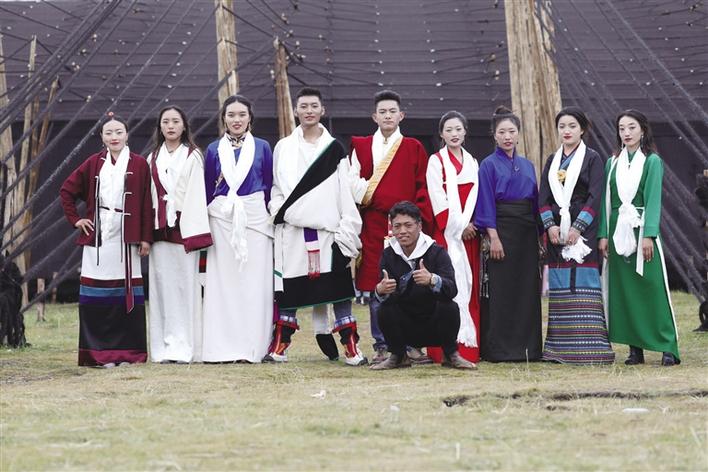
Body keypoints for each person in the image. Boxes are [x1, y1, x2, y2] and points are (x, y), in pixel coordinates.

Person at [265, 87, 366, 366]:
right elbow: (277, 188)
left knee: (338, 288)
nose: (309, 111)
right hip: (293, 229)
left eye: (313, 106)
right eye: (303, 106)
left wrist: (347, 228)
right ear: (295, 110)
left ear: (322, 110)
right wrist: (279, 210)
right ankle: (280, 345)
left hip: (327, 230)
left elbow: (343, 191)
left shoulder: (335, 148)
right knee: (290, 289)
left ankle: (351, 347)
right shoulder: (283, 147)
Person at [59, 113, 152, 367]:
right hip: (98, 238)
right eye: (109, 133)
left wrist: (145, 238)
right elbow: (66, 190)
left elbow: (146, 202)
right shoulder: (93, 163)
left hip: (127, 237)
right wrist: (76, 220)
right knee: (95, 298)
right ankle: (97, 354)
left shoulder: (139, 164)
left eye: (119, 132)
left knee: (126, 297)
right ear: (101, 137)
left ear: (127, 134)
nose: (114, 137)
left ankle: (129, 354)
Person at [349, 89, 433, 364]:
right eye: (382, 112)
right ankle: (382, 345)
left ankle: (411, 344)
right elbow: (351, 184)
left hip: (406, 226)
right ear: (374, 116)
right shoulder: (361, 146)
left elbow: (422, 186)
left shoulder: (413, 147)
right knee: (378, 285)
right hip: (373, 224)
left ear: (401, 115)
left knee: (409, 284)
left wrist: (418, 221)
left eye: (392, 111)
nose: (387, 116)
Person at [598, 109, 680, 366]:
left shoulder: (652, 161)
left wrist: (649, 235)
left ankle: (667, 346)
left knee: (652, 287)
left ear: (642, 130)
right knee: (625, 292)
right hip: (617, 232)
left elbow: (653, 199)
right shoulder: (612, 162)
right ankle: (635, 349)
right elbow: (606, 201)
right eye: (622, 128)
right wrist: (603, 234)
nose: (627, 133)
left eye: (632, 127)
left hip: (642, 228)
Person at [538, 107, 614, 364]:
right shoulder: (552, 160)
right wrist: (550, 226)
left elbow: (595, 196)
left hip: (583, 231)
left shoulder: (592, 158)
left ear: (582, 129)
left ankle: (591, 349)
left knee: (584, 283)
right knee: (560, 286)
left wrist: (577, 227)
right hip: (556, 232)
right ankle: (559, 349)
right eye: (562, 126)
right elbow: (543, 197)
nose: (567, 131)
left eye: (572, 126)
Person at [201, 95, 274, 363]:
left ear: (250, 118)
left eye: (242, 114)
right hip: (222, 220)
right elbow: (208, 189)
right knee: (224, 283)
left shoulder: (263, 147)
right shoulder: (212, 150)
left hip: (255, 220)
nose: (236, 120)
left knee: (255, 283)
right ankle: (222, 346)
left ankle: (254, 344)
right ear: (224, 118)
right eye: (231, 115)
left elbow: (269, 184)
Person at [370, 201, 477, 370]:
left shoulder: (437, 252)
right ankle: (398, 356)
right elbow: (384, 294)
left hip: (433, 322)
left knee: (450, 306)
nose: (402, 231)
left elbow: (452, 289)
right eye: (397, 226)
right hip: (405, 325)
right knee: (383, 308)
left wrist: (432, 280)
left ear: (419, 226)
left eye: (408, 225)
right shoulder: (388, 254)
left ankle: (450, 354)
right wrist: (380, 290)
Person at [474, 106, 542, 362]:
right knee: (501, 289)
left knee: (526, 290)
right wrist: (493, 237)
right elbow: (486, 202)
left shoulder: (527, 165)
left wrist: (540, 236)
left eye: (511, 131)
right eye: (502, 132)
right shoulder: (488, 165)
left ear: (518, 134)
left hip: (527, 232)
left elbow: (535, 202)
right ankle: (499, 349)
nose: (507, 137)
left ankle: (528, 348)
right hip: (501, 230)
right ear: (494, 135)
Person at [146, 106, 211, 364]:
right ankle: (164, 347)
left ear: (184, 126)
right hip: (159, 229)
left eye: (175, 121)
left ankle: (187, 347)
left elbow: (196, 195)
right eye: (166, 122)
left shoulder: (193, 156)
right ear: (160, 127)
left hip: (184, 230)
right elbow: (150, 194)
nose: (171, 126)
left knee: (186, 288)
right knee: (162, 288)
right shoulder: (152, 157)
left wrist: (193, 231)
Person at [425, 111, 481, 363]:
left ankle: (469, 348)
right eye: (448, 130)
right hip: (447, 234)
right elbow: (438, 200)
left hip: (470, 236)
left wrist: (473, 225)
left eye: (458, 129)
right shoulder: (436, 162)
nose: (454, 134)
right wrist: (459, 228)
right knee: (446, 287)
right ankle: (443, 349)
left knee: (469, 287)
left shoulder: (473, 162)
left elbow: (477, 198)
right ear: (441, 134)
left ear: (465, 132)